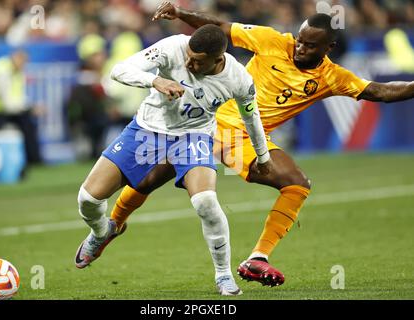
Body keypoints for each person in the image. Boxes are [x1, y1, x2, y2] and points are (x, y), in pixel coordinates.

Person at [106, 2, 414, 288]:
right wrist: (181, 12)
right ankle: (112, 226)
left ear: (328, 48)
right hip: (207, 123)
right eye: (300, 39)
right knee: (148, 179)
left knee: (296, 184)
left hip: (246, 139)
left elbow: (381, 91)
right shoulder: (272, 40)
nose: (300, 47)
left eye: (310, 45)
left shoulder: (332, 77)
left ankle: (257, 258)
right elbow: (221, 27)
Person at [74, 24, 272, 296]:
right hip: (147, 129)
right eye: (189, 55)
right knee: (87, 198)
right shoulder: (173, 47)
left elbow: (252, 116)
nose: (189, 62)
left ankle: (224, 276)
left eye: (198, 61)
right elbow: (118, 69)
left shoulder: (238, 78)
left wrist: (263, 156)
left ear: (218, 59)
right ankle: (101, 233)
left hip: (194, 136)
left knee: (206, 202)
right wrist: (155, 80)